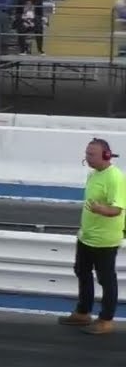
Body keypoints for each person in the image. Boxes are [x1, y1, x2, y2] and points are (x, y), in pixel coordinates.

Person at [59, 139, 126, 335]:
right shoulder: (93, 174)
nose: (87, 157)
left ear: (106, 155)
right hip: (87, 236)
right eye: (86, 153)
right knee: (82, 271)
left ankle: (106, 320)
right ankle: (83, 312)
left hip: (105, 240)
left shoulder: (115, 178)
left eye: (91, 154)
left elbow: (117, 209)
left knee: (106, 279)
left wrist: (100, 210)